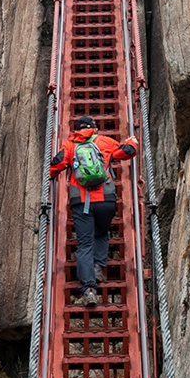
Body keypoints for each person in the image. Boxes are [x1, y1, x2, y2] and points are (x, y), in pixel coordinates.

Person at [50, 115, 138, 305]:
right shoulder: (105, 142)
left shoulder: (70, 145)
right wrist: (132, 141)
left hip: (81, 202)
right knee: (102, 233)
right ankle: (98, 265)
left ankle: (89, 289)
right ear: (94, 128)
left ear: (77, 129)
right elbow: (129, 152)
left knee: (84, 245)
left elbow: (55, 165)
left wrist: (50, 177)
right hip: (106, 200)